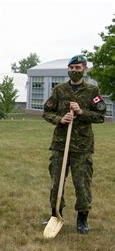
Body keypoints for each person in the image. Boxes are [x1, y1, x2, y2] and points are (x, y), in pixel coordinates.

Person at [42, 55, 106, 234]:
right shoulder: (59, 90)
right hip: (60, 144)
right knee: (56, 182)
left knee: (82, 183)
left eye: (78, 68)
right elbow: (46, 112)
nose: (75, 71)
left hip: (82, 146)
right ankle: (55, 214)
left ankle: (82, 218)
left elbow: (101, 116)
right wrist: (60, 119)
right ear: (68, 70)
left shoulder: (92, 91)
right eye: (72, 68)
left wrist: (81, 112)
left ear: (84, 69)